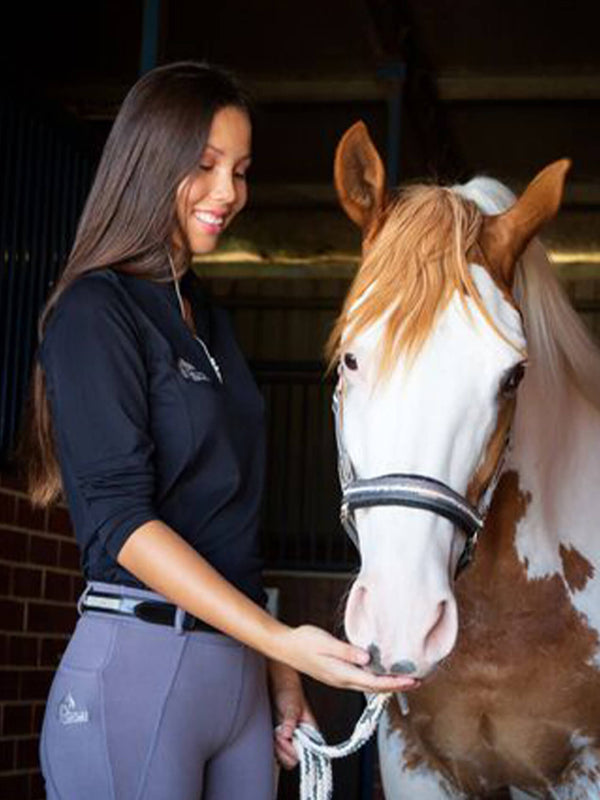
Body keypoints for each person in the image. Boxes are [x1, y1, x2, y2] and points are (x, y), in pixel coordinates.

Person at [26, 62, 416, 800]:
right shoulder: (93, 313)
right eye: (204, 167)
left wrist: (279, 673)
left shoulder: (211, 320)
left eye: (240, 170)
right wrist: (277, 638)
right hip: (140, 662)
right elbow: (122, 523)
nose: (228, 193)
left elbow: (232, 523)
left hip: (240, 685)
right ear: (150, 162)